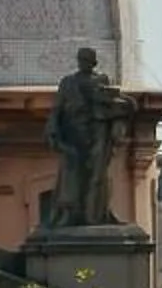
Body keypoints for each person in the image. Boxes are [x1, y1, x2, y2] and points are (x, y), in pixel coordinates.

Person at [44, 46, 122, 228]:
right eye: (82, 60)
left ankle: (95, 214)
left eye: (87, 60)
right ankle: (69, 212)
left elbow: (114, 105)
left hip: (97, 133)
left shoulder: (101, 81)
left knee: (97, 175)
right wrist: (52, 128)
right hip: (73, 133)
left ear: (94, 63)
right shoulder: (68, 82)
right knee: (70, 173)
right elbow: (57, 108)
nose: (84, 63)